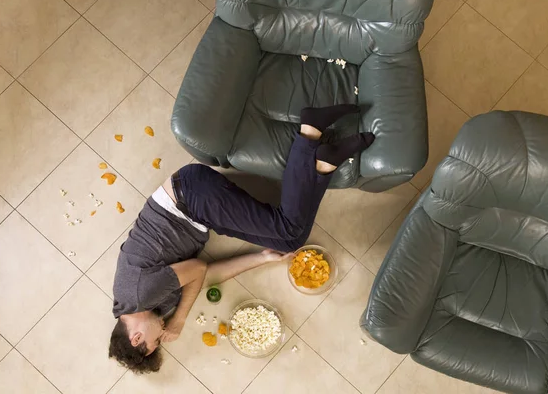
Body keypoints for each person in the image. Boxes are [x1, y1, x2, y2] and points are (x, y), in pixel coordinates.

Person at [109, 104, 375, 373]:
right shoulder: (145, 307)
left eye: (156, 340)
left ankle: (310, 134)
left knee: (289, 228)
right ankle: (322, 161)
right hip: (201, 215)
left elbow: (198, 270)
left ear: (137, 337)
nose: (163, 332)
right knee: (288, 241)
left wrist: (180, 319)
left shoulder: (141, 294)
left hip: (190, 196)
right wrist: (260, 258)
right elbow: (205, 277)